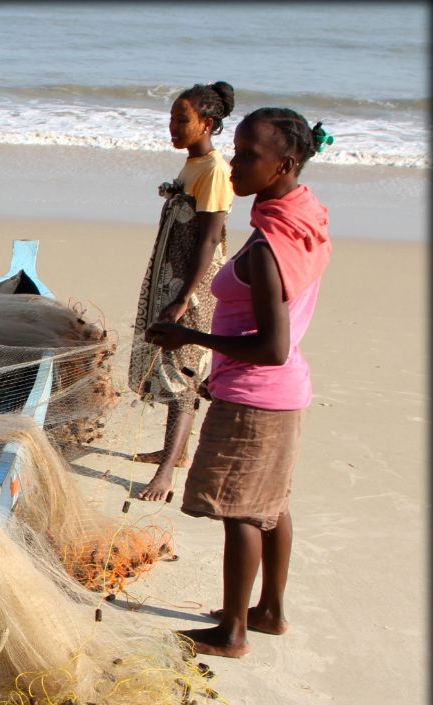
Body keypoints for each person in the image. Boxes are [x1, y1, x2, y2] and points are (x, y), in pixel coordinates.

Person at [146, 109, 333, 658]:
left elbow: (270, 349)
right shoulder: (304, 214)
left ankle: (231, 632)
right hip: (281, 393)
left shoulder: (269, 246)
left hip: (258, 397)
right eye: (238, 150)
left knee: (242, 513)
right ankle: (269, 611)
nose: (235, 163)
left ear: (285, 165)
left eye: (250, 155)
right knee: (271, 504)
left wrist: (191, 340)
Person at [128, 82, 237, 501]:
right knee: (170, 364)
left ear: (207, 123)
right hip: (170, 277)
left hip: (190, 285)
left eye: (182, 120)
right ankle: (175, 451)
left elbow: (209, 240)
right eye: (172, 119)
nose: (173, 127)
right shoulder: (193, 164)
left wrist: (183, 297)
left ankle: (167, 473)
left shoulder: (213, 171)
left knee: (182, 372)